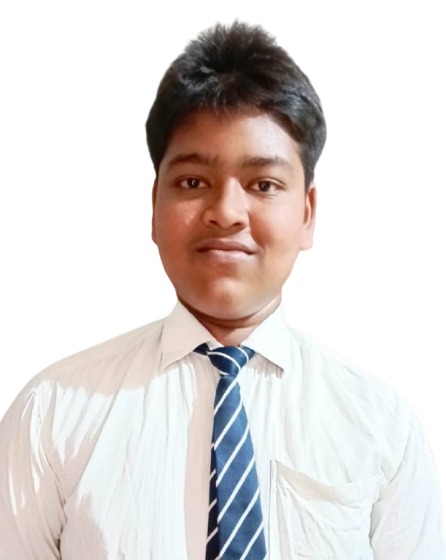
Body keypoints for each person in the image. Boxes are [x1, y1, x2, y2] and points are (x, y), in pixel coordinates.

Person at [0, 20, 444, 560]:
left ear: (307, 214)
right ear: (155, 206)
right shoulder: (52, 415)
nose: (227, 212)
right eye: (193, 182)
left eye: (263, 185)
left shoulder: (381, 428)